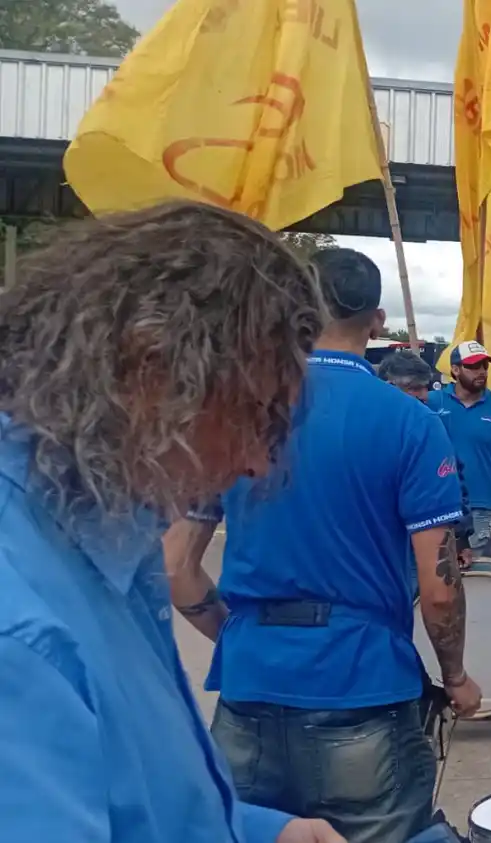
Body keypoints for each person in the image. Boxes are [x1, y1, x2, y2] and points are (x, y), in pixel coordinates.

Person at [0, 202, 343, 842]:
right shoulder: (19, 629)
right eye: (255, 414)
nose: (256, 461)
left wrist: (255, 831)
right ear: (152, 370)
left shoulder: (96, 532)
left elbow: (132, 799)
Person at [170, 248, 480, 843]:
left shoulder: (237, 413)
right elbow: (438, 591)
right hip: (363, 689)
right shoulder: (412, 422)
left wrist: (241, 632)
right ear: (379, 320)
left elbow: (176, 567)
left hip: (248, 689)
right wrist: (456, 675)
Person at [381, 351, 476, 567]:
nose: (424, 395)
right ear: (388, 386)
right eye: (414, 388)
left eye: (426, 387)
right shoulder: (363, 429)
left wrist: (461, 538)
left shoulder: (430, 426)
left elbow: (454, 483)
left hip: (422, 543)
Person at [428, 341, 491, 556]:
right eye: (473, 366)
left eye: (484, 366)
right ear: (455, 369)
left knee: (473, 579)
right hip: (436, 503)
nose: (481, 371)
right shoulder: (432, 403)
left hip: (483, 508)